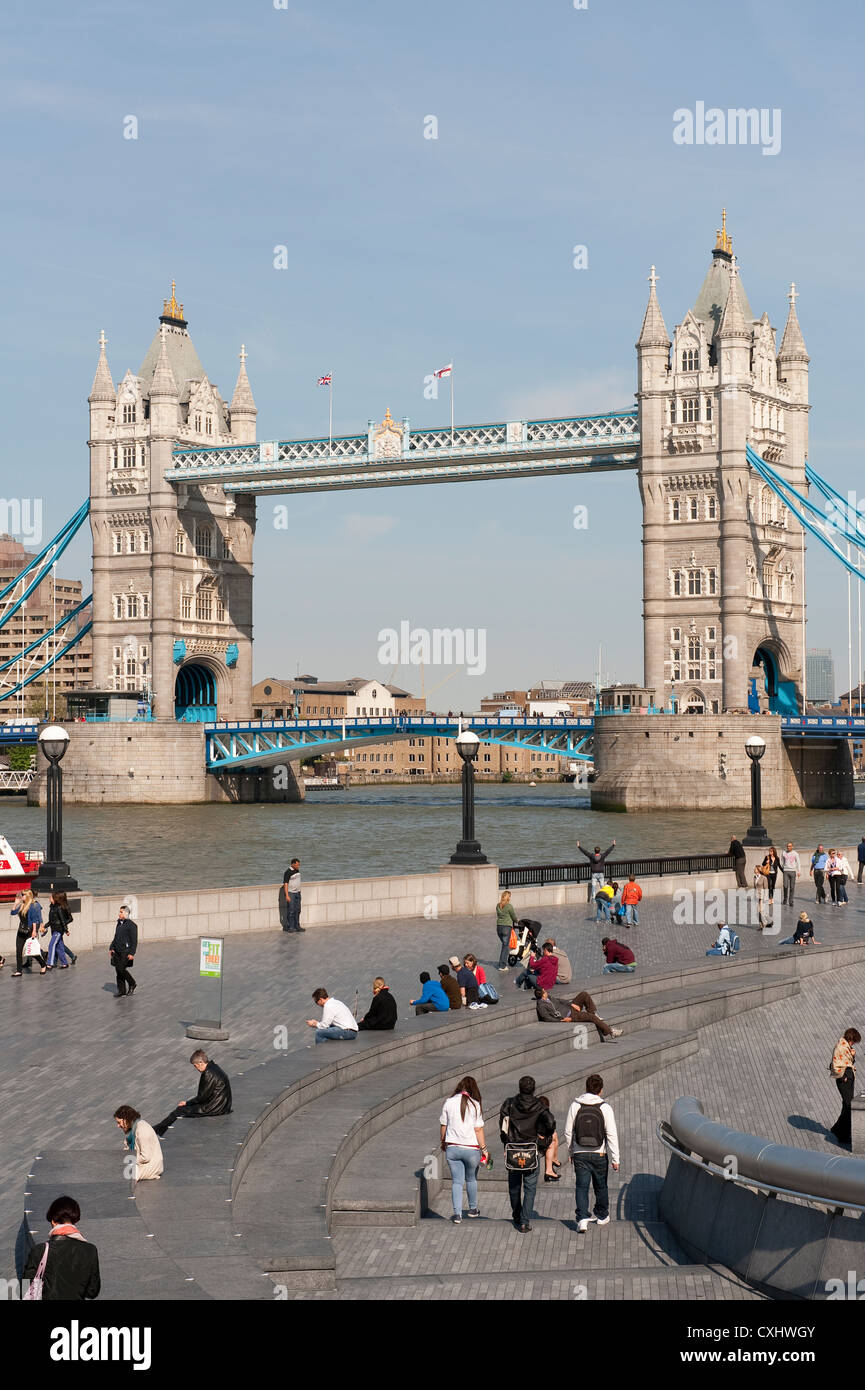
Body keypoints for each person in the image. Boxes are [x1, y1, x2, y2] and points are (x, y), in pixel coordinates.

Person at [499, 1076, 556, 1233]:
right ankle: (524, 1222)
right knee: (530, 1188)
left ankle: (517, 1216)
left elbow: (502, 1125)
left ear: (519, 1087)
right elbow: (551, 1122)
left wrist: (506, 1142)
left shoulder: (509, 1103)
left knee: (514, 1186)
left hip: (514, 1150)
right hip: (532, 1149)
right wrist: (543, 1135)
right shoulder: (539, 1105)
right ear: (534, 1088)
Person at [564, 1072, 620, 1233]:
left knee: (581, 1186)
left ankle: (582, 1219)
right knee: (600, 1186)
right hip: (599, 1153)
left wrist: (571, 1151)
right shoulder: (605, 1108)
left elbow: (568, 1132)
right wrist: (616, 1158)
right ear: (600, 1090)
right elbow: (611, 1134)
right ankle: (602, 1216)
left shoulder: (575, 1105)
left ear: (586, 1088)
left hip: (580, 1153)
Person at [22, 1196, 101, 1301]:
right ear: (75, 1221)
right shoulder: (90, 1250)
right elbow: (92, 1291)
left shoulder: (39, 1251)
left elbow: (26, 1289)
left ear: (53, 1221)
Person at [439, 1075, 488, 1223]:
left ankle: (457, 1214)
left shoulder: (449, 1102)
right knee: (471, 1179)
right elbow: (478, 1130)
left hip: (452, 1148)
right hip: (471, 1149)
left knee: (457, 1182)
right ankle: (473, 1209)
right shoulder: (475, 1105)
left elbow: (443, 1126)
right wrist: (484, 1149)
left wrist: (443, 1142)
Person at [154, 1050, 233, 1135]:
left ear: (201, 1063)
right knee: (185, 1108)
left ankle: (158, 1130)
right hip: (223, 1105)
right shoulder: (214, 1067)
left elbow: (202, 1097)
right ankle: (160, 1128)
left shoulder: (207, 1074)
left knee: (180, 1110)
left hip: (215, 1108)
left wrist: (187, 1103)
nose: (196, 1068)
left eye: (195, 1066)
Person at [829, 1028, 861, 1146]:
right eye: (854, 1041)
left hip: (849, 1077)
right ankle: (843, 1136)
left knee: (846, 1105)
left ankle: (837, 1129)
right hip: (845, 1080)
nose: (854, 1044)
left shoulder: (846, 1046)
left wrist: (852, 1055)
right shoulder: (841, 1047)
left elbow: (847, 1061)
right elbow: (836, 1063)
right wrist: (843, 1078)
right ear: (850, 1038)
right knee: (849, 1107)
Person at [113, 1105, 164, 1180]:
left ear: (126, 1119)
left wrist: (127, 1160)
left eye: (119, 1122)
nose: (118, 1125)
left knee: (121, 1175)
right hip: (141, 1164)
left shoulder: (142, 1130)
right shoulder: (133, 1129)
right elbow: (129, 1149)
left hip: (150, 1166)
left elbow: (145, 1157)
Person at [10, 888, 46, 977]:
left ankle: (43, 964)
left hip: (29, 930)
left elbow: (34, 920)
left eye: (23, 895)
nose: (21, 896)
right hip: (21, 930)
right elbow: (13, 912)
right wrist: (15, 903)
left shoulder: (33, 906)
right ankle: (19, 971)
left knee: (32, 951)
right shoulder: (22, 905)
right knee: (18, 950)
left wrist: (34, 931)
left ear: (28, 896)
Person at [109, 904, 138, 997]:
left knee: (121, 969)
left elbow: (134, 940)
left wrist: (132, 953)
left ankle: (132, 983)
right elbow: (116, 937)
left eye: (121, 912)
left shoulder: (132, 925)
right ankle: (122, 991)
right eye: (119, 911)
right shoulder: (118, 923)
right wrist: (111, 947)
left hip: (125, 951)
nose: (119, 914)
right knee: (118, 971)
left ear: (126, 913)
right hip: (117, 951)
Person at [537, 1094, 562, 1183]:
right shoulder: (546, 1115)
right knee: (552, 1142)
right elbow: (550, 1127)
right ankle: (550, 1168)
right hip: (536, 1140)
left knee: (554, 1136)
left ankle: (551, 1165)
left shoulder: (535, 1113)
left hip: (537, 1138)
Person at [46, 891, 74, 969]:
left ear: (55, 899)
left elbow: (62, 920)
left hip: (58, 930)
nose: (49, 898)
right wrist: (46, 925)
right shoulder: (52, 907)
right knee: (59, 946)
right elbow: (52, 920)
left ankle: (50, 963)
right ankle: (64, 963)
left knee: (52, 945)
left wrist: (66, 930)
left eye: (51, 897)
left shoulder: (59, 908)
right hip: (54, 928)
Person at [495, 890, 517, 971]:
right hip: (506, 928)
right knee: (505, 946)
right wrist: (517, 920)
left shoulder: (498, 906)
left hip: (499, 928)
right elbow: (513, 916)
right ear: (508, 897)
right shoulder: (509, 906)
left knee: (504, 946)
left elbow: (500, 915)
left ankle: (501, 963)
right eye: (510, 896)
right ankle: (502, 966)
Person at [283, 857, 304, 932]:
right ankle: (290, 927)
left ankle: (297, 926)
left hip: (298, 893)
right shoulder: (288, 872)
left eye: (299, 865)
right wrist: (287, 895)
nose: (298, 866)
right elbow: (285, 884)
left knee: (298, 910)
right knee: (291, 910)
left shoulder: (297, 870)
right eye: (297, 865)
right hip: (291, 893)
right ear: (292, 864)